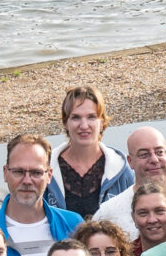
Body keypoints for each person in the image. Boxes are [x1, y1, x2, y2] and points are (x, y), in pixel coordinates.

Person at [0, 134, 82, 256]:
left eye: (36, 172)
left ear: (49, 175)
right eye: (19, 172)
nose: (27, 181)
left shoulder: (73, 225)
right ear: (5, 173)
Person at [54, 85, 131, 216]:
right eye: (76, 117)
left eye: (91, 117)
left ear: (102, 122)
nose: (84, 126)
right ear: (66, 123)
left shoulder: (122, 169)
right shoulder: (46, 169)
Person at [91, 127, 166, 237]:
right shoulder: (108, 213)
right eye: (144, 154)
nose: (154, 159)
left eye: (160, 152)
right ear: (130, 161)